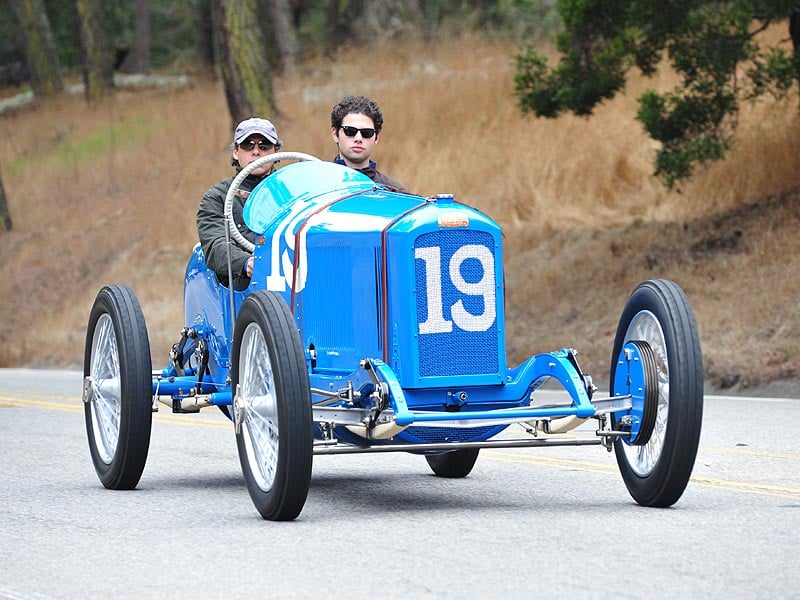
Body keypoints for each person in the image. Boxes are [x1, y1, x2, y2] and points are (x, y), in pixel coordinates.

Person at [197, 117, 281, 289]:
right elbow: (215, 247)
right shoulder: (217, 198)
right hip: (245, 288)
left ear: (275, 152)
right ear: (236, 152)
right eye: (248, 145)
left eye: (264, 145)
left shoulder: (292, 192)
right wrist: (247, 263)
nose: (256, 151)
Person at [330, 95, 408, 193]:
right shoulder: (317, 184)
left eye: (366, 133)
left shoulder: (396, 193)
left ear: (376, 137)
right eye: (350, 131)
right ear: (335, 134)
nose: (358, 138)